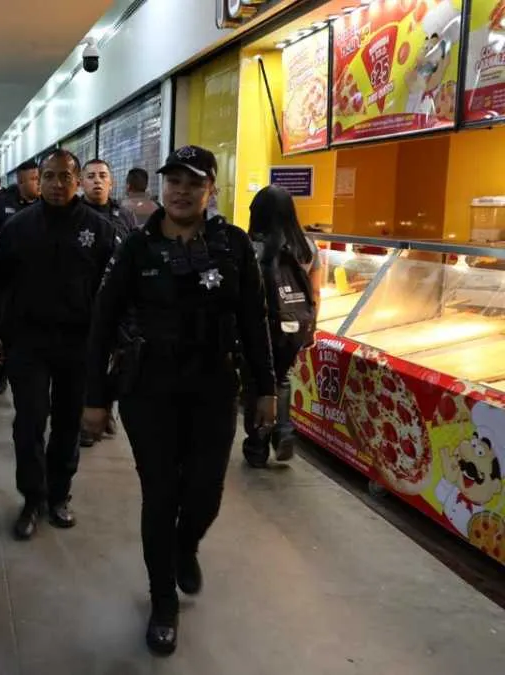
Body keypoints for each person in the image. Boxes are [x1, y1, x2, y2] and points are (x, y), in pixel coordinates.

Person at [82, 145, 276, 655]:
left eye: (193, 183)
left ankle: (185, 545)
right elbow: (102, 323)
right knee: (161, 494)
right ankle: (162, 600)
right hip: (149, 389)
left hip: (214, 387)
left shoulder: (232, 245)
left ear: (211, 189)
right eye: (174, 182)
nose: (182, 192)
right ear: (162, 187)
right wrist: (95, 398)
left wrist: (266, 388)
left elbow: (254, 320)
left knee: (206, 492)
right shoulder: (135, 247)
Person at [0, 149, 120, 540]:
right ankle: (32, 498)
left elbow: (114, 293)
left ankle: (59, 495)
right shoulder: (18, 227)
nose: (57, 184)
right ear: (38, 180)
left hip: (78, 345)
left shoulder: (99, 230)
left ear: (77, 181)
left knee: (67, 423)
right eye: (49, 176)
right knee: (29, 422)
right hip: (28, 343)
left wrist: (112, 342)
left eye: (65, 177)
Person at [242, 184, 321, 467]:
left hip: (260, 325)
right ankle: (283, 428)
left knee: (256, 381)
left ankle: (258, 443)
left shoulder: (251, 246)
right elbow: (315, 292)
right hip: (294, 325)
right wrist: (311, 328)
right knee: (282, 377)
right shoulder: (307, 246)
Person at [79, 158, 139, 447]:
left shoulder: (124, 215)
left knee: (116, 361)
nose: (97, 181)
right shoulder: (75, 215)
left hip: (119, 303)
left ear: (112, 182)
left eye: (103, 175)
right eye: (91, 176)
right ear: (81, 182)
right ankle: (85, 415)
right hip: (85, 302)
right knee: (86, 360)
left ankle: (106, 407)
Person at [0, 159, 40, 396]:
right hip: (9, 282)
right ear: (21, 182)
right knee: (9, 331)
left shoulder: (49, 205)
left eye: (39, 178)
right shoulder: (2, 205)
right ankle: (3, 371)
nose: (38, 183)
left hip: (41, 282)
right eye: (33, 179)